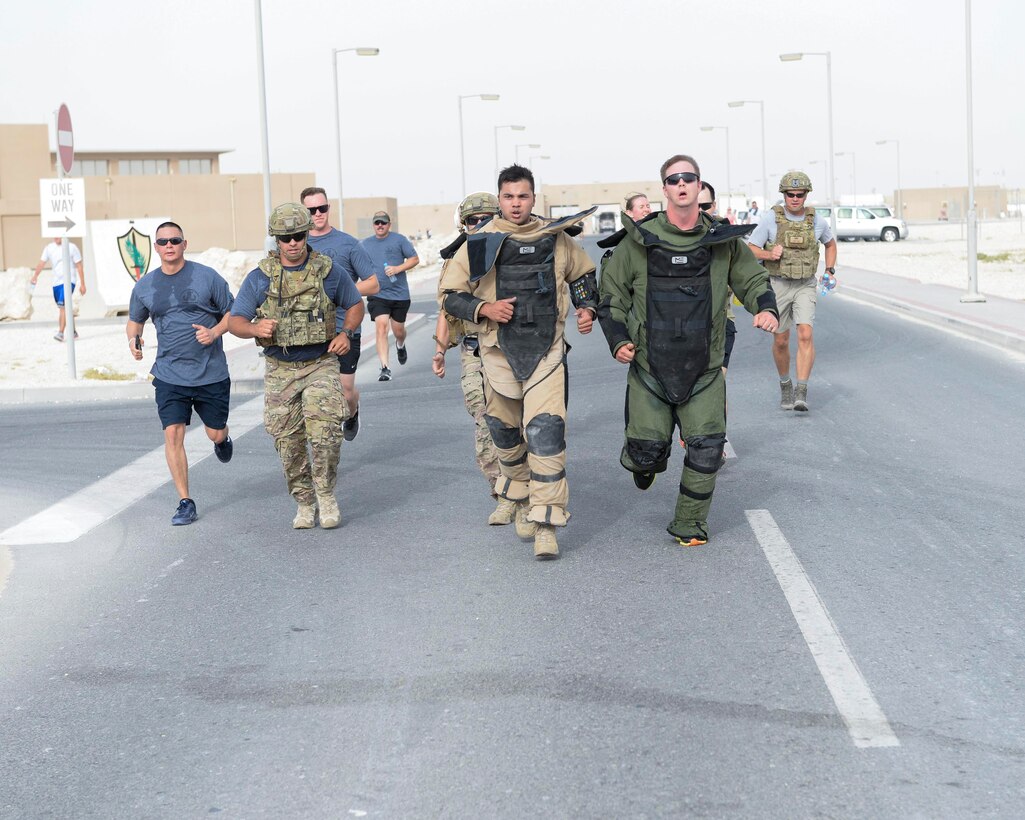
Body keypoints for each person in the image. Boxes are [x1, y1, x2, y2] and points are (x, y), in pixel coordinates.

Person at [597, 154, 778, 547]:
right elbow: (611, 296)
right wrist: (618, 340)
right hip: (649, 365)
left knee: (708, 448)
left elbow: (751, 278)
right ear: (664, 189)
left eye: (689, 178)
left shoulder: (722, 241)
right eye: (673, 179)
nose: (681, 184)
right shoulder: (637, 241)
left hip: (705, 366)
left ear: (699, 186)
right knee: (646, 453)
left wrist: (765, 307)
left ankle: (689, 524)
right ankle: (643, 463)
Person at [439, 165, 598, 560]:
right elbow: (449, 295)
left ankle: (547, 523)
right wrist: (485, 308)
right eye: (509, 197)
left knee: (546, 433)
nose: (516, 204)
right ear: (500, 199)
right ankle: (520, 493)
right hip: (497, 355)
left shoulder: (555, 237)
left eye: (523, 196)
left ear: (533, 198)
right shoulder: (479, 243)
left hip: (546, 352)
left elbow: (583, 276)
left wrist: (587, 307)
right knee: (505, 434)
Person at [227, 203, 365, 529]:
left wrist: (346, 332)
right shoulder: (260, 277)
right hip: (280, 368)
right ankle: (304, 501)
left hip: (320, 363)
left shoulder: (328, 271)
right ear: (276, 239)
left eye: (298, 236)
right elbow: (235, 321)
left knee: (326, 433)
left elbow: (355, 304)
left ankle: (326, 493)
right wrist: (253, 329)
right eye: (285, 237)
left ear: (307, 235)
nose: (292, 243)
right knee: (287, 441)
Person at [126, 221, 234, 526]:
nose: (169, 245)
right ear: (156, 248)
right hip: (169, 374)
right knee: (173, 434)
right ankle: (185, 501)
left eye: (175, 240)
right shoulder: (145, 286)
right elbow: (135, 321)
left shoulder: (207, 277)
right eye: (163, 242)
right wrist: (133, 340)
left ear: (184, 244)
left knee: (215, 430)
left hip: (210, 372)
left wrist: (214, 332)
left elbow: (233, 313)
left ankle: (221, 440)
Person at [432, 192, 514, 527]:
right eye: (472, 220)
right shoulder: (456, 261)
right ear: (463, 225)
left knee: (518, 424)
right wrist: (440, 351)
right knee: (485, 423)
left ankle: (523, 489)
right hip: (474, 350)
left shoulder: (515, 252)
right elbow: (446, 306)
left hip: (512, 348)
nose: (479, 225)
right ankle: (504, 496)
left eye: (486, 218)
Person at [746, 171, 837, 412]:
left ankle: (802, 391)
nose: (795, 199)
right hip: (778, 284)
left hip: (805, 284)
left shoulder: (816, 221)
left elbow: (830, 243)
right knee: (782, 340)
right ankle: (785, 383)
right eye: (790, 194)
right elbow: (751, 248)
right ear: (784, 195)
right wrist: (768, 254)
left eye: (800, 194)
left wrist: (829, 269)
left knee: (805, 333)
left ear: (806, 195)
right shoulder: (770, 219)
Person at [301, 186, 381, 441]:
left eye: (322, 208)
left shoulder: (348, 243)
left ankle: (353, 409)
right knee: (315, 394)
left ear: (328, 208)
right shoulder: (295, 244)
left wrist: (341, 291)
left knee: (345, 392)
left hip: (345, 327)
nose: (317, 214)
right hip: (309, 331)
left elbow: (373, 283)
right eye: (311, 210)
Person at [359, 211, 419, 381]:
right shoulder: (365, 244)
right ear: (373, 225)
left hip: (400, 295)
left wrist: (397, 269)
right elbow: (358, 265)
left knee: (398, 331)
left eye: (383, 223)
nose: (380, 225)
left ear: (389, 225)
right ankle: (385, 367)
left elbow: (414, 259)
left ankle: (400, 345)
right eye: (377, 222)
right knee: (381, 326)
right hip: (378, 294)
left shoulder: (399, 240)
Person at [31, 236, 86, 341]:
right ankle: (73, 331)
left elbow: (79, 266)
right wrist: (35, 276)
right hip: (56, 283)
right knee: (65, 307)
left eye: (59, 234)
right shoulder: (49, 248)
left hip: (70, 281)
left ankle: (60, 333)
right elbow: (42, 263)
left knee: (63, 307)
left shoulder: (72, 247)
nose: (56, 237)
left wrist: (82, 284)